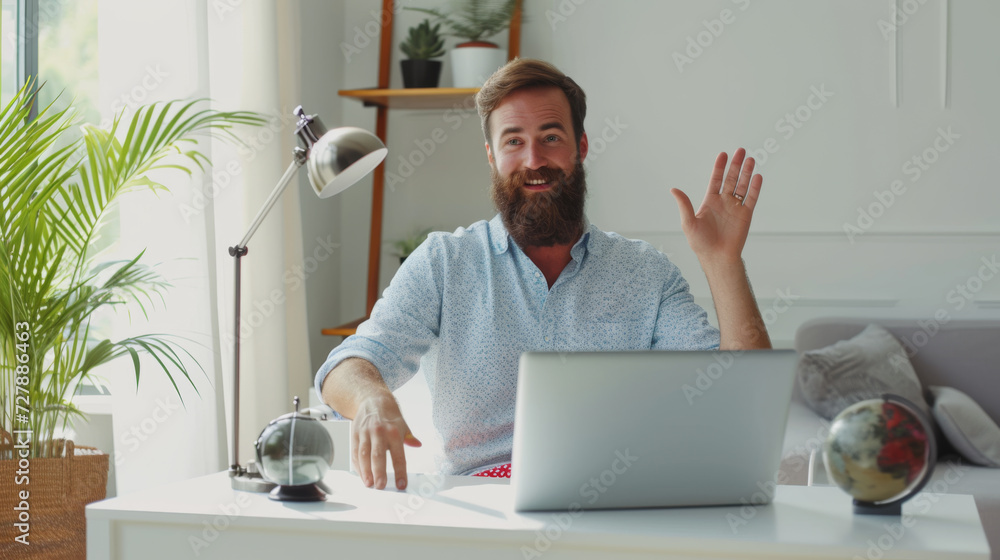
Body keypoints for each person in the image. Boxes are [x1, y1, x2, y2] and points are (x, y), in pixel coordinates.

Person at [315, 59, 771, 491]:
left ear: (582, 147)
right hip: (483, 504)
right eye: (514, 141)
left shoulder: (646, 273)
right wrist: (372, 401)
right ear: (492, 156)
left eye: (551, 137)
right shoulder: (444, 263)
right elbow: (347, 366)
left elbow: (744, 401)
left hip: (613, 502)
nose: (534, 159)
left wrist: (722, 260)